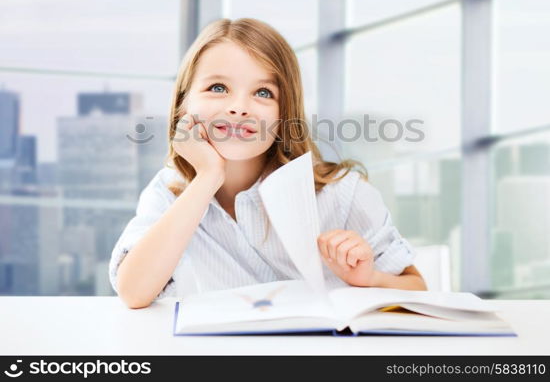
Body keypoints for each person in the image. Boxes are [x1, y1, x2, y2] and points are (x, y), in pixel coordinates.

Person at [109, 18, 427, 309]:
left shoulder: (341, 194)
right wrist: (207, 177)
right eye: (217, 88)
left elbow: (418, 289)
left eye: (263, 93)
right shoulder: (169, 192)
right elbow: (134, 292)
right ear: (183, 105)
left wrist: (370, 279)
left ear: (284, 114)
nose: (238, 107)